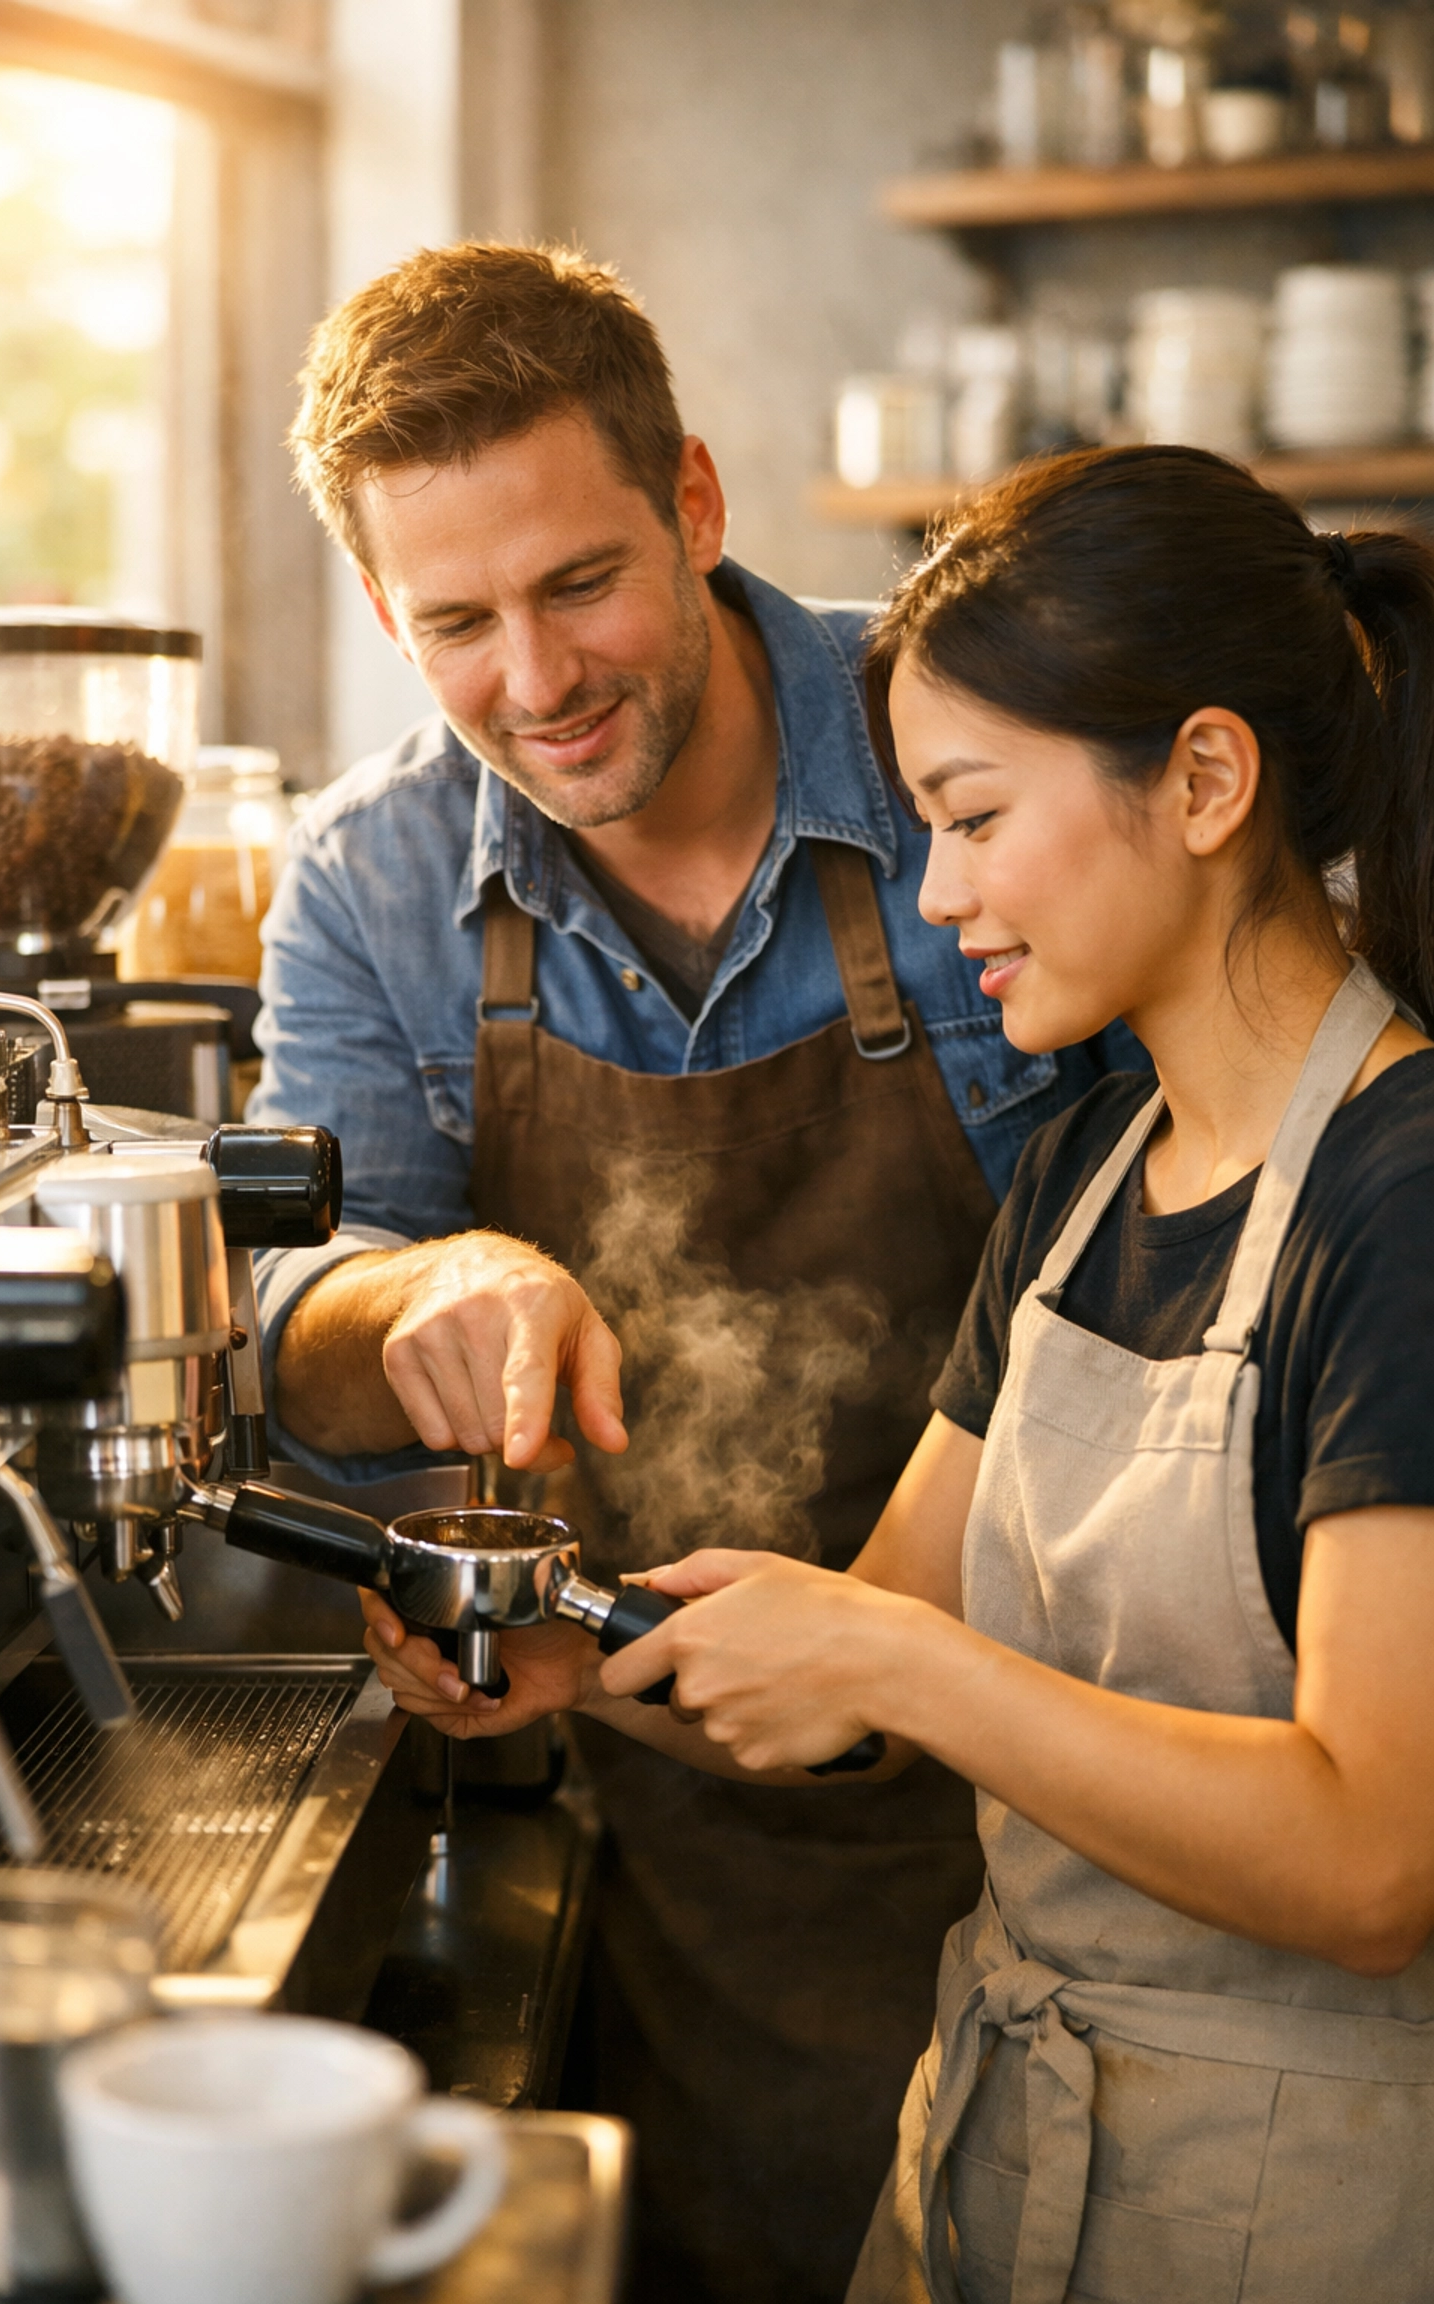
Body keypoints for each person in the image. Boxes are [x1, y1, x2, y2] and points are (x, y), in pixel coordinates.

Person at [448, 442, 1434, 2302]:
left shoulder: (1400, 1197)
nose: (937, 886)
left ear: (1207, 779)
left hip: (1291, 2211)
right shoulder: (1086, 1175)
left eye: (973, 815)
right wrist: (574, 1649)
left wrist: (901, 1659)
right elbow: (869, 1642)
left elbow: (1377, 1857)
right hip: (1002, 2161)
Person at [253, 243, 1138, 2304]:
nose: (536, 679)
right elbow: (298, 1315)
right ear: (386, 613)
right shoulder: (373, 882)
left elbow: (1194, 1254)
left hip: (1092, 1778)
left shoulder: (973, 752)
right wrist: (430, 1288)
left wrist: (927, 1661)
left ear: (702, 506)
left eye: (581, 583)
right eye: (456, 622)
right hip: (684, 1826)